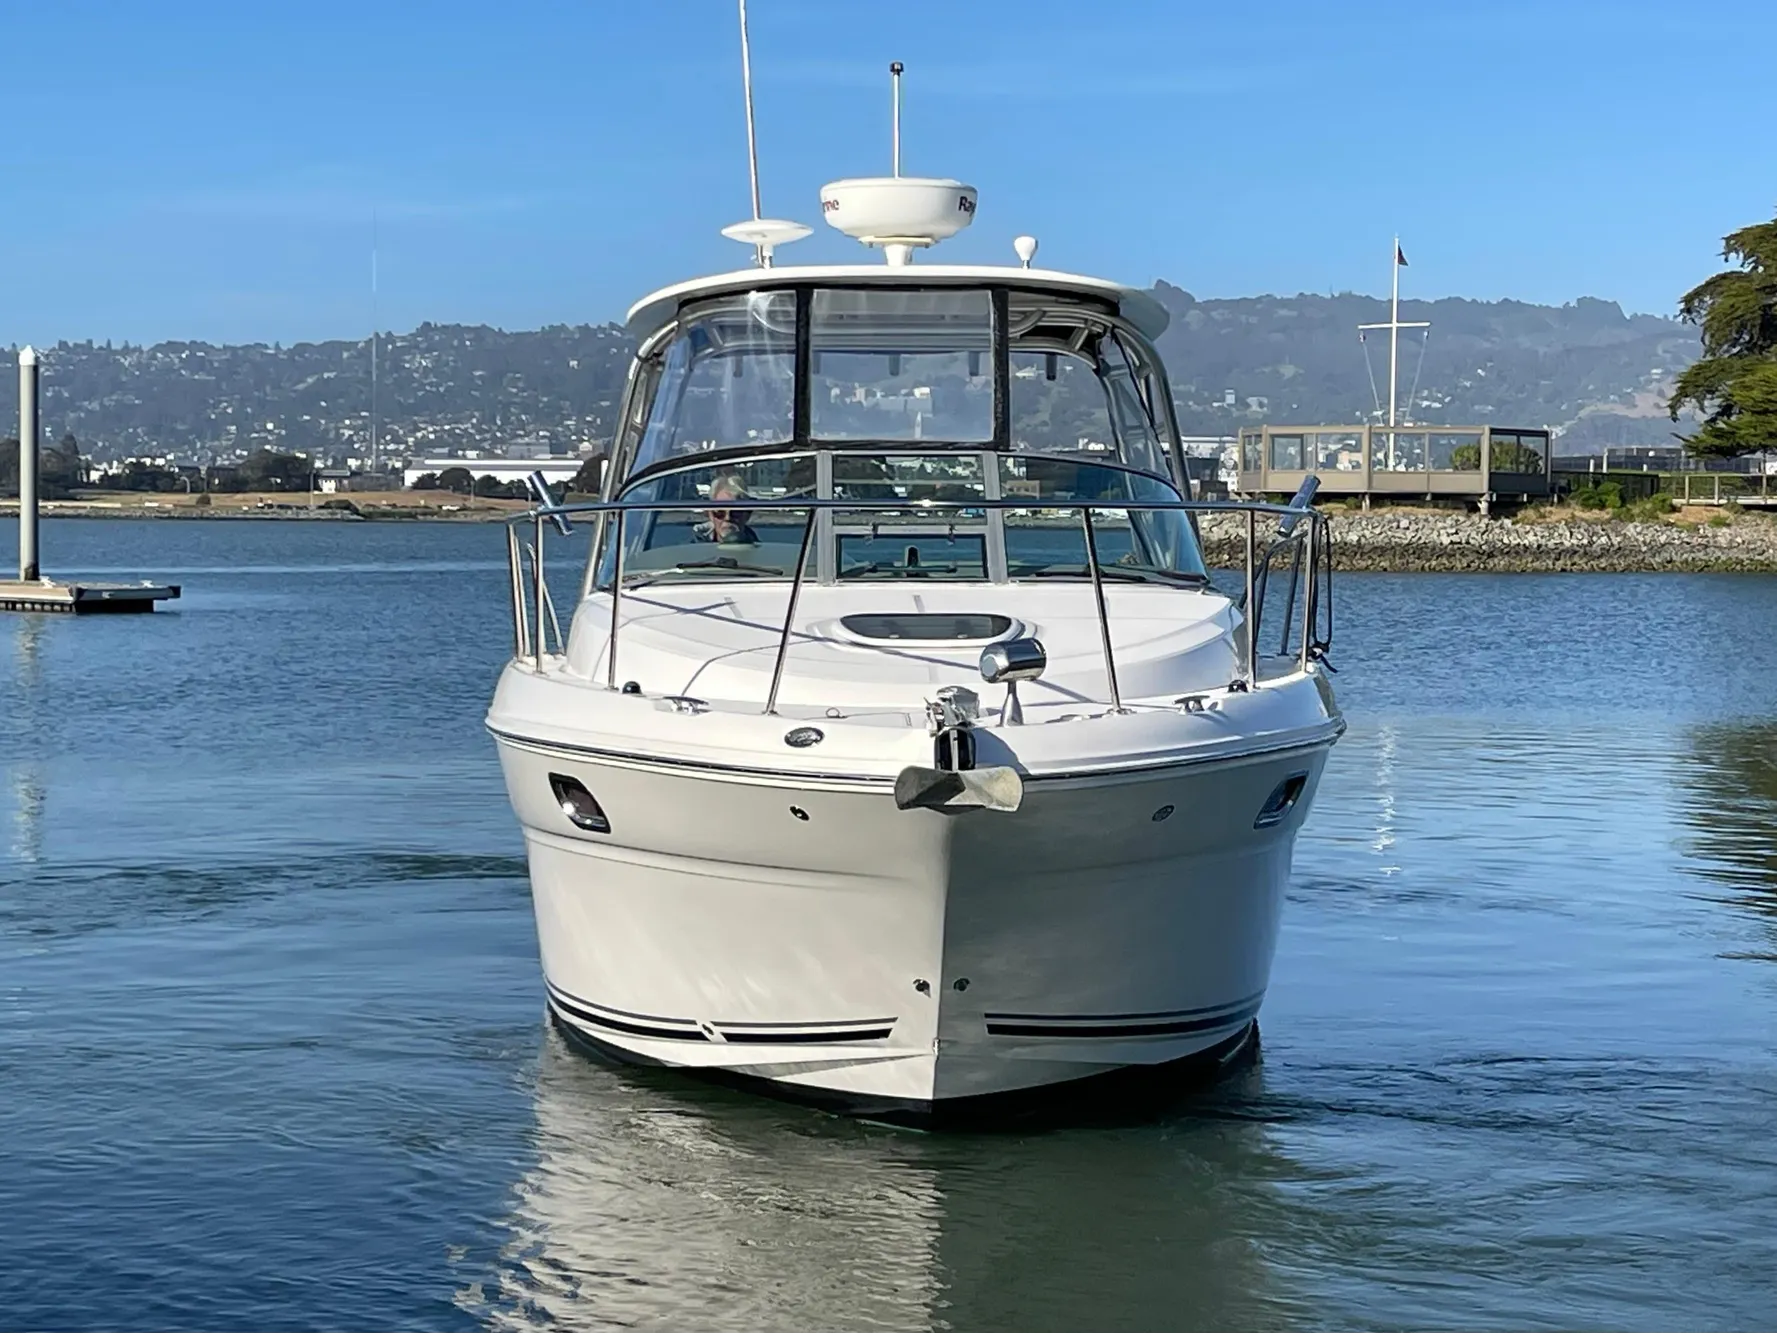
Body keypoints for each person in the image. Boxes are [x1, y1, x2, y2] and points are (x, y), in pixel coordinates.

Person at [692, 473, 759, 544]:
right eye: (720, 512)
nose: (728, 518)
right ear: (711, 514)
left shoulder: (759, 552)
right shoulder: (693, 549)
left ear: (747, 515)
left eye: (735, 512)